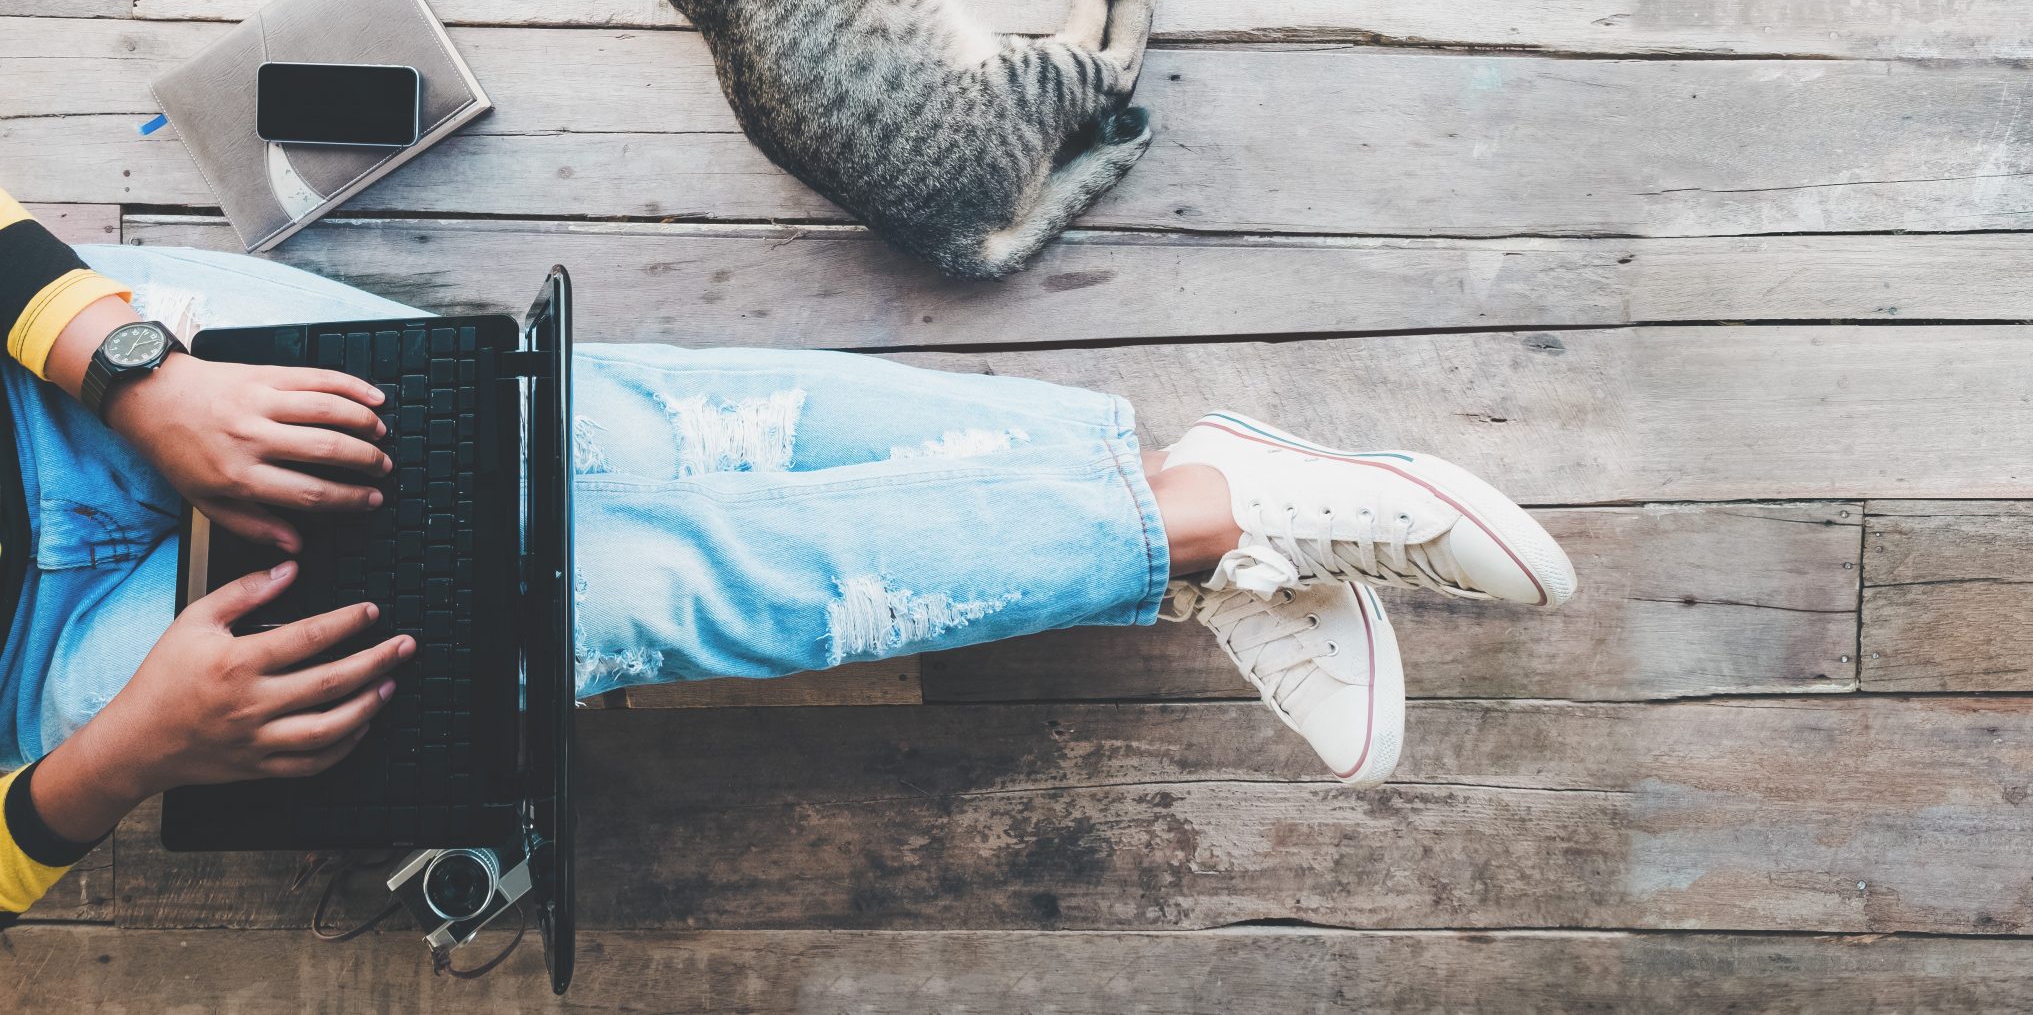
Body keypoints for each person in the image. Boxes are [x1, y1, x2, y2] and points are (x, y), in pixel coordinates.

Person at [0, 188, 1575, 923]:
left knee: (600, 437)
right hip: (66, 694)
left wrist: (129, 363)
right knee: (610, 598)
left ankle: (1201, 519)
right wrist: (127, 756)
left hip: (56, 383)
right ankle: (1199, 518)